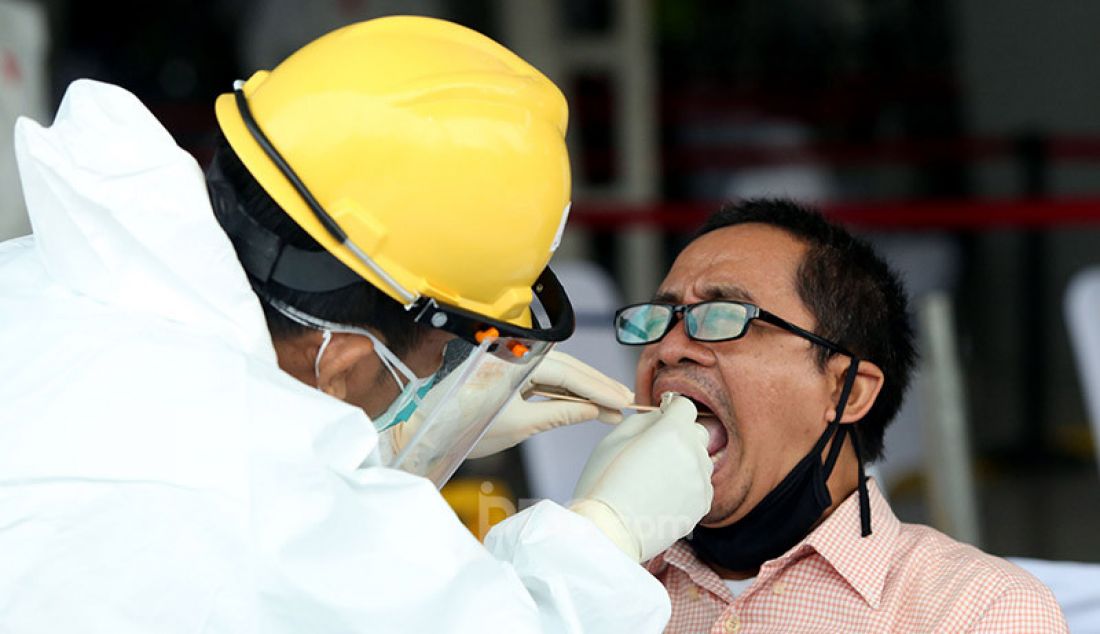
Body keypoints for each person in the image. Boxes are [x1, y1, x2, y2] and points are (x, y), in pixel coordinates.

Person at [0, 17, 713, 632]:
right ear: (340, 355)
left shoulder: (43, 280)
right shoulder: (252, 492)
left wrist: (398, 446)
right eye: (443, 360)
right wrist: (605, 539)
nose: (440, 381)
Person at [613, 199, 1068, 632]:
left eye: (721, 315)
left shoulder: (976, 611)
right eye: (661, 318)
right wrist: (585, 549)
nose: (668, 349)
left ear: (846, 390)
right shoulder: (590, 574)